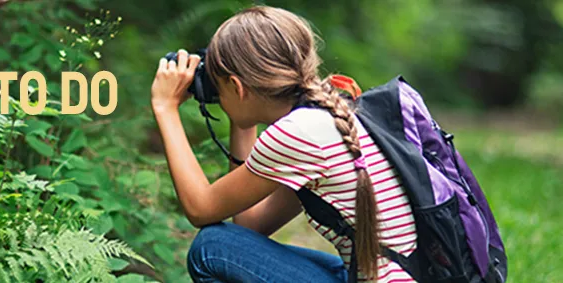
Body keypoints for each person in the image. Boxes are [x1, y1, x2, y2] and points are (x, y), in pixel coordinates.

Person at [150, 6, 417, 283]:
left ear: (237, 86)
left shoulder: (297, 134)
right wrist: (242, 118)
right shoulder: (335, 114)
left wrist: (165, 107)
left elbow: (200, 208)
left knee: (211, 248)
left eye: (220, 87)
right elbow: (252, 224)